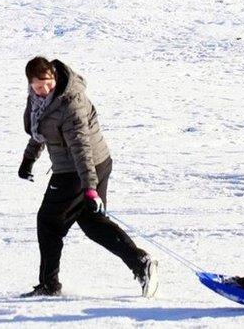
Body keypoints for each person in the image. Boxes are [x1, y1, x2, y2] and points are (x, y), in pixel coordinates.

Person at [17, 57, 157, 298]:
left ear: (54, 76)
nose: (44, 90)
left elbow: (81, 147)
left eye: (47, 84)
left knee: (49, 223)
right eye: (38, 87)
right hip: (92, 165)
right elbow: (43, 130)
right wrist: (28, 159)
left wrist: (90, 188)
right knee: (93, 223)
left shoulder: (70, 102)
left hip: (79, 169)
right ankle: (140, 262)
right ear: (30, 84)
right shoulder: (39, 100)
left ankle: (49, 285)